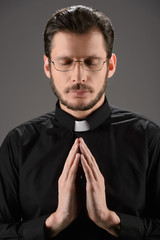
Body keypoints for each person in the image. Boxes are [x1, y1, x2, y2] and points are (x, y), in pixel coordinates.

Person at [0, 5, 160, 240]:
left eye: (91, 61)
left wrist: (112, 221)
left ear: (111, 65)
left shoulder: (149, 138)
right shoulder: (18, 144)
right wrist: (52, 223)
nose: (78, 76)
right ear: (47, 66)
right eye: (65, 62)